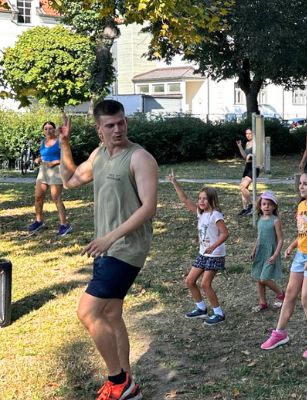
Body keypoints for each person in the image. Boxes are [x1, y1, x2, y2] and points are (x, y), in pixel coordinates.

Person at [59, 100, 157, 400]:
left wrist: (110, 238)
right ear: (98, 129)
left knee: (88, 312)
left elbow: (149, 208)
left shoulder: (139, 158)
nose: (118, 129)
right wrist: (64, 145)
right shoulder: (99, 155)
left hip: (126, 248)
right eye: (110, 125)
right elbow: (69, 181)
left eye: (122, 122)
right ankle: (128, 381)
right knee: (112, 313)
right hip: (106, 248)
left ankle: (118, 381)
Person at [260, 169, 307, 359]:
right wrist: (292, 246)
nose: (301, 186)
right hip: (301, 255)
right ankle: (280, 333)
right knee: (290, 294)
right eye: (300, 183)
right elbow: (303, 233)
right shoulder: (301, 206)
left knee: (306, 299)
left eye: (306, 183)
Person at [168, 174, 229, 325]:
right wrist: (174, 182)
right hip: (203, 253)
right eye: (200, 198)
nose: (201, 201)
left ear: (212, 200)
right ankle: (201, 309)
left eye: (205, 199)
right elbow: (184, 200)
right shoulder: (200, 213)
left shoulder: (215, 215)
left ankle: (218, 313)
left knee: (205, 284)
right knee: (189, 281)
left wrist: (213, 246)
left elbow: (225, 233)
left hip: (215, 255)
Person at [28, 121, 71, 236]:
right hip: (43, 171)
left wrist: (55, 162)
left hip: (56, 170)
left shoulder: (60, 142)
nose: (48, 130)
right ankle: (39, 221)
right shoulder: (43, 142)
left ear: (54, 129)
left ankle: (64, 225)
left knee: (56, 198)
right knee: (38, 197)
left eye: (50, 128)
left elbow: (67, 158)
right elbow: (44, 156)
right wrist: (39, 159)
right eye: (46, 129)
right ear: (43, 131)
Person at [250, 191, 285, 312]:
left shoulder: (275, 221)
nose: (266, 206)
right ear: (260, 206)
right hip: (260, 252)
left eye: (270, 204)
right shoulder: (260, 219)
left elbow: (280, 240)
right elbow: (259, 236)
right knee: (258, 278)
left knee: (264, 278)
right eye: (264, 204)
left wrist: (275, 254)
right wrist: (254, 250)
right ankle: (262, 302)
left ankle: (281, 293)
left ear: (274, 206)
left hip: (270, 252)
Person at [237, 128, 260, 216]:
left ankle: (252, 205)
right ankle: (245, 209)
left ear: (253, 133)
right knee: (244, 188)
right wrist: (240, 147)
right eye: (246, 134)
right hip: (247, 167)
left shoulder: (256, 143)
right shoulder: (247, 143)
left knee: (242, 186)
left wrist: (251, 155)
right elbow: (244, 156)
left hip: (254, 167)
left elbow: (258, 156)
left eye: (250, 133)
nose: (248, 135)